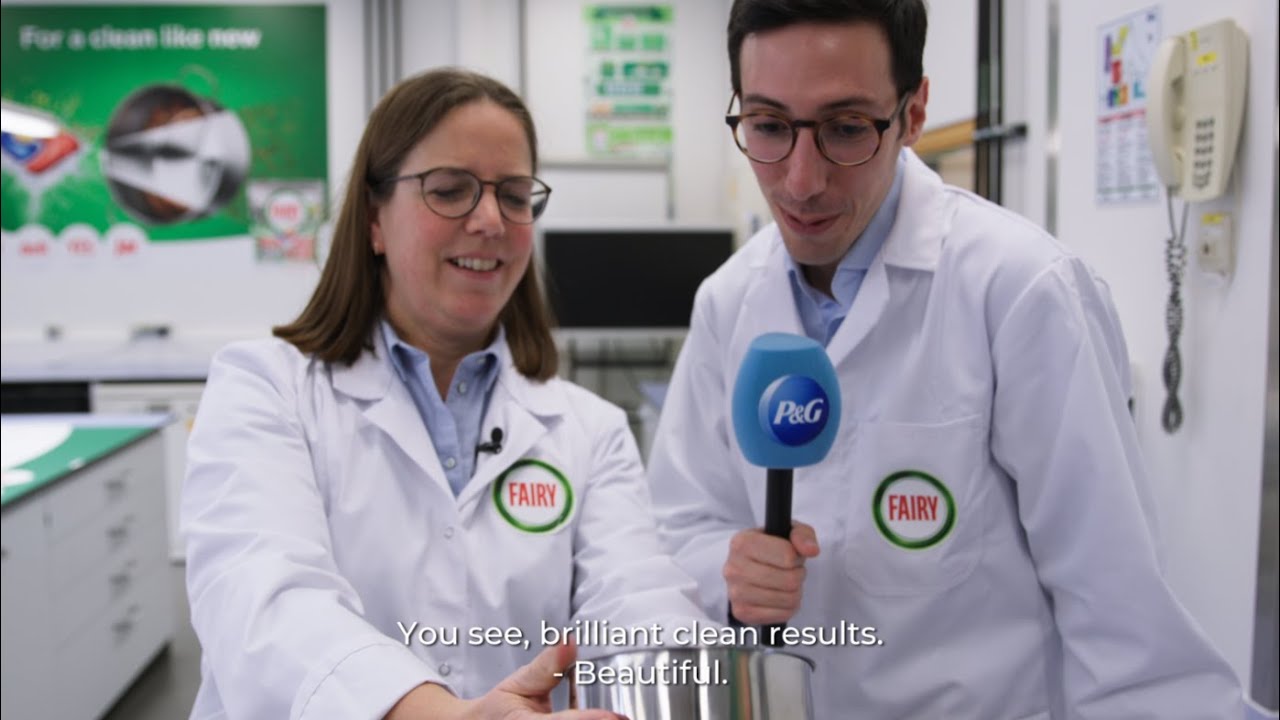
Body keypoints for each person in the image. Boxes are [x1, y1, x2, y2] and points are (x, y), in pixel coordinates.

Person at [646, 1, 1245, 717]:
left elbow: (1118, 615)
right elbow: (678, 526)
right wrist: (728, 573)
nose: (801, 181)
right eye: (770, 126)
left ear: (914, 111)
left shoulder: (1021, 292)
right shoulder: (728, 301)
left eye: (844, 129)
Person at [182, 68, 707, 720]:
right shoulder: (265, 388)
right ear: (375, 219)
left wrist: (676, 682)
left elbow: (636, 596)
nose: (490, 220)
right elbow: (265, 602)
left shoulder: (588, 429)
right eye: (450, 190)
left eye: (515, 196)